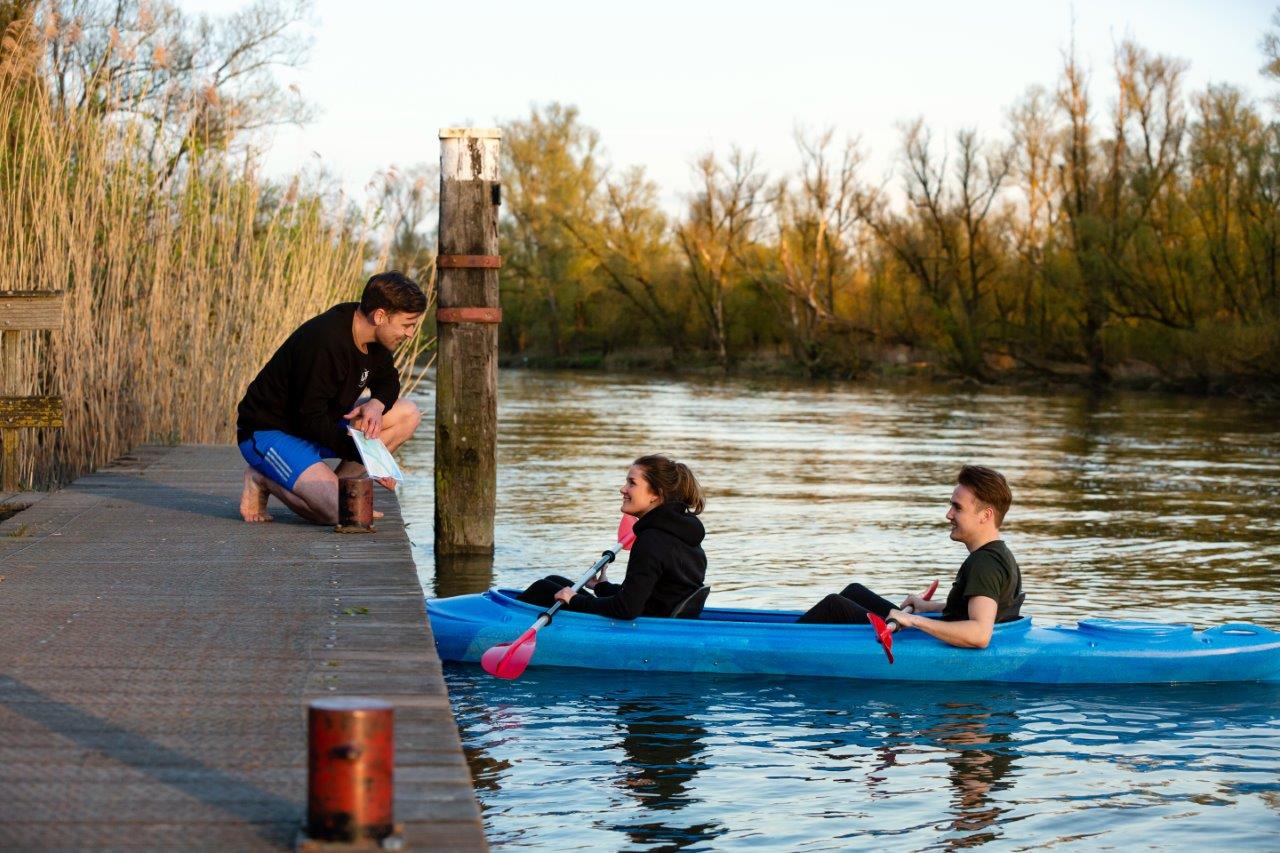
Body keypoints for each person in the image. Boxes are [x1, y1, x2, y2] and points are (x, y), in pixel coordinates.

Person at [236, 271, 426, 525]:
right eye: (407, 324)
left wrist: (375, 405)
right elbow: (309, 419)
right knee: (348, 515)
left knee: (408, 413)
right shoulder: (324, 341)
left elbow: (388, 380)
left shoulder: (374, 339)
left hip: (320, 425)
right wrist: (370, 456)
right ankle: (262, 479)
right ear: (380, 316)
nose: (410, 333)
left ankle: (342, 491)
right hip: (270, 432)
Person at [797, 465, 1023, 649]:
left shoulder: (984, 563)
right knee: (854, 591)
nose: (949, 514)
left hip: (941, 649)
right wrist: (927, 607)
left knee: (834, 605)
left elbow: (980, 635)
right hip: (946, 630)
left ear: (986, 515)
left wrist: (914, 620)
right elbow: (981, 605)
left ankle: (777, 646)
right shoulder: (999, 554)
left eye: (957, 508)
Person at [517, 455, 707, 620]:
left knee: (543, 589)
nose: (623, 489)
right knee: (556, 581)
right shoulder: (683, 532)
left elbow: (626, 609)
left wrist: (575, 601)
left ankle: (503, 628)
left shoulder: (652, 539)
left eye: (632, 483)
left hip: (645, 628)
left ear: (655, 495)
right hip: (656, 618)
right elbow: (653, 597)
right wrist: (603, 587)